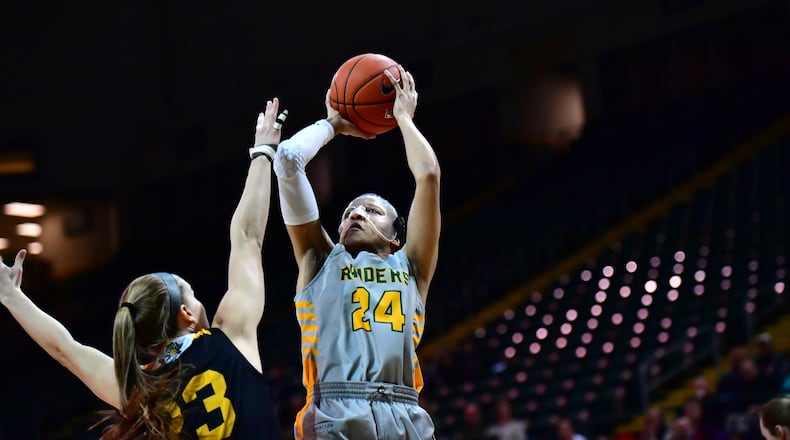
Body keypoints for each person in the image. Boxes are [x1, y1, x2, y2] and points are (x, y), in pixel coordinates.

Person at [0, 98, 287, 439]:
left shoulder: (137, 387)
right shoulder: (232, 335)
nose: (200, 302)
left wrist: (10, 296)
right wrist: (263, 154)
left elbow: (65, 349)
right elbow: (247, 237)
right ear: (186, 314)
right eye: (193, 296)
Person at [272, 65, 440, 439]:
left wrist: (403, 119)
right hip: (336, 407)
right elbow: (286, 160)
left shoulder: (412, 266)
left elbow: (428, 174)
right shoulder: (320, 260)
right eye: (349, 212)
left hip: (406, 411)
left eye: (372, 210)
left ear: (396, 235)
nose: (356, 214)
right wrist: (333, 124)